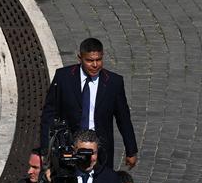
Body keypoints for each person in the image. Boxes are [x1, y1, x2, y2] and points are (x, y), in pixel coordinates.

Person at [40, 37, 138, 169]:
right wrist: (45, 148)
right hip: (69, 146)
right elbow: (49, 113)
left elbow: (123, 118)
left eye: (98, 59)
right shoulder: (63, 78)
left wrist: (131, 150)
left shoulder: (113, 83)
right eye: (90, 61)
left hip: (100, 149)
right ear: (80, 58)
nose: (95, 65)